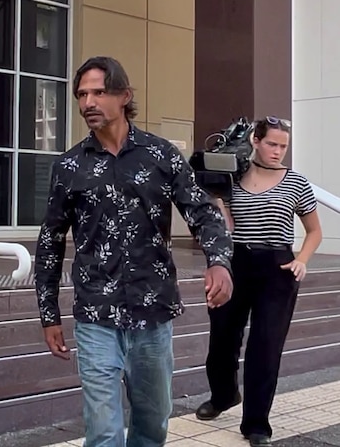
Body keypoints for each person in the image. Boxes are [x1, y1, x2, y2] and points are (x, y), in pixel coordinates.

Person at [34, 56, 234, 447]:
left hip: (153, 314)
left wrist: (219, 261)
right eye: (81, 94)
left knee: (152, 423)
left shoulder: (161, 155)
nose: (87, 102)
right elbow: (50, 241)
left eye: (98, 92)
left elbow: (202, 213)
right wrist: (48, 313)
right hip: (96, 315)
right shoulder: (69, 166)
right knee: (104, 430)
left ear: (124, 96)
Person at [195, 117, 322, 446]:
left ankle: (256, 425)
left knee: (265, 347)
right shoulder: (232, 177)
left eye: (283, 146)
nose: (278, 151)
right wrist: (219, 198)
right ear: (255, 140)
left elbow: (314, 231)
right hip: (235, 262)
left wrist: (302, 261)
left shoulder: (296, 183)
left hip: (277, 268)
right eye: (272, 144)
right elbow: (226, 225)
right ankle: (224, 395)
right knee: (222, 339)